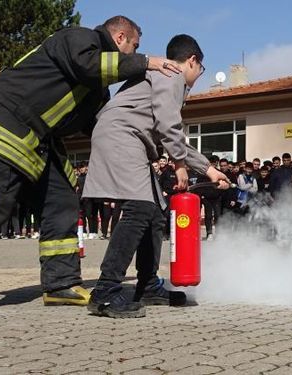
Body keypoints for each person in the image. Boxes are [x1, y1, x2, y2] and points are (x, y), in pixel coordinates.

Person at [0, 15, 186, 319]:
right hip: (5, 123)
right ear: (120, 38)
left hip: (37, 137)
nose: (135, 55)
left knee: (63, 197)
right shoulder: (81, 39)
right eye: (134, 47)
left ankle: (61, 284)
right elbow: (89, 65)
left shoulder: (97, 90)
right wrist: (147, 62)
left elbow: (101, 126)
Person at [83, 34, 229, 318]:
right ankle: (105, 291)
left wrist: (209, 169)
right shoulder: (172, 75)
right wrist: (179, 164)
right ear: (193, 60)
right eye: (201, 70)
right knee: (140, 210)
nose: (199, 76)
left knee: (154, 214)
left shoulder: (164, 76)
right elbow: (168, 124)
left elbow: (171, 133)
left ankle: (147, 285)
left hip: (129, 139)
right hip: (122, 136)